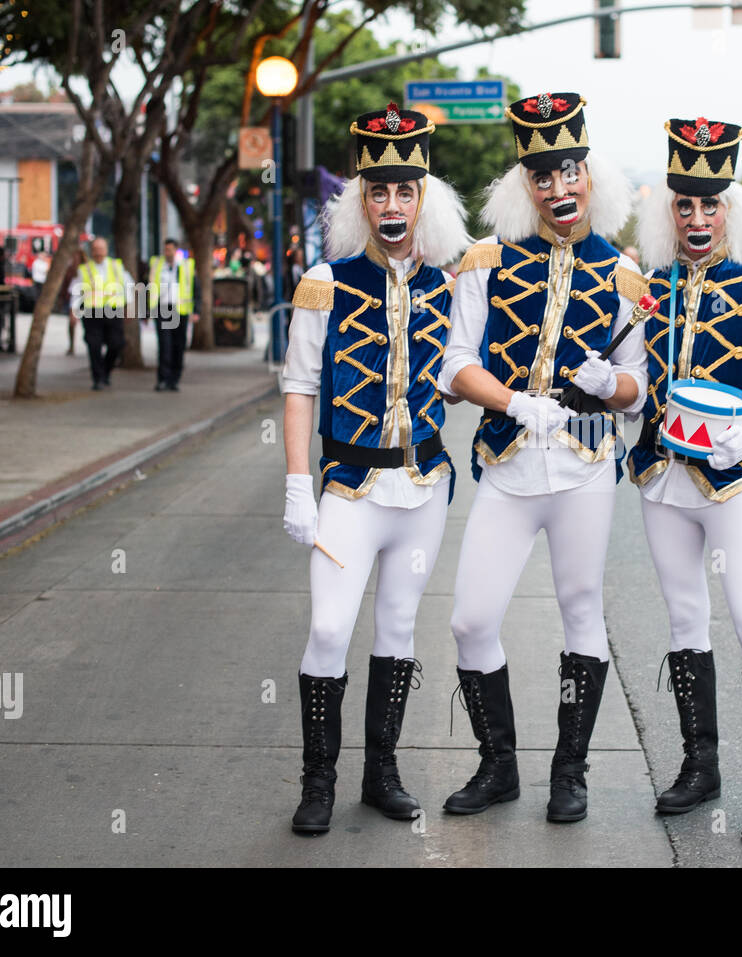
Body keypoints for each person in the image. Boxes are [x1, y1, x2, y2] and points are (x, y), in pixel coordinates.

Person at [438, 91, 647, 823]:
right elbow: (454, 362)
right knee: (470, 619)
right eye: (542, 175)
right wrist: (511, 402)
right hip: (508, 467)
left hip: (587, 471)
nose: (559, 188)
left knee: (581, 611)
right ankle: (498, 766)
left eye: (571, 172)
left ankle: (570, 770)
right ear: (524, 184)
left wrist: (610, 382)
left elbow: (639, 389)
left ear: (591, 176)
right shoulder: (487, 261)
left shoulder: (626, 278)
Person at [280, 103, 470, 835]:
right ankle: (317, 780)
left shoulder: (451, 286)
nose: (392, 204)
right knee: (329, 628)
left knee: (397, 626)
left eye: (406, 190)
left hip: (421, 489)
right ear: (360, 200)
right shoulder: (324, 282)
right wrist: (300, 483)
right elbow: (300, 387)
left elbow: (462, 374)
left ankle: (379, 772)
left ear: (425, 199)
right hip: (349, 489)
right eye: (379, 190)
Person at [625, 115, 742, 841]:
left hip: (731, 484)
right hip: (661, 480)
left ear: (731, 208)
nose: (698, 217)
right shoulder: (653, 286)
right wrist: (613, 382)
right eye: (685, 204)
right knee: (682, 617)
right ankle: (701, 768)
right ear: (669, 210)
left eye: (711, 203)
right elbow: (638, 385)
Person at [70, 238, 130, 390]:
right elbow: (76, 292)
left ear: (107, 249)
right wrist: (73, 311)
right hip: (92, 312)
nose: (98, 252)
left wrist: (129, 307)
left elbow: (128, 286)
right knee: (94, 345)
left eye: (101, 249)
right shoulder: (84, 269)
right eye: (95, 249)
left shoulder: (116, 266)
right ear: (92, 251)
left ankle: (106, 371)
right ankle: (98, 379)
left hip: (113, 310)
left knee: (117, 344)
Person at [147, 238, 199, 391]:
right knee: (164, 345)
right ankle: (162, 379)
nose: (167, 252)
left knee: (179, 345)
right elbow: (148, 286)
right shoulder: (156, 265)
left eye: (170, 249)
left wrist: (197, 311)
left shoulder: (186, 266)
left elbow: (196, 289)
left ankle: (174, 379)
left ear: (176, 250)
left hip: (180, 310)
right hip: (162, 309)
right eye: (165, 249)